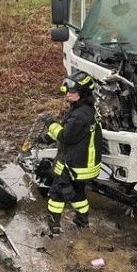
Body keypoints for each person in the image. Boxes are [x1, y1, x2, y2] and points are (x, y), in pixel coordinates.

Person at [41, 72, 104, 236]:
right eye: (68, 91)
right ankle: (82, 221)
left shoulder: (80, 115)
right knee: (78, 193)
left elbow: (65, 136)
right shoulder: (84, 110)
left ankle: (53, 228)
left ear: (83, 93)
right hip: (83, 166)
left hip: (72, 165)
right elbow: (69, 130)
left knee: (56, 194)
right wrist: (48, 137)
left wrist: (50, 123)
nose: (68, 94)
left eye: (73, 91)